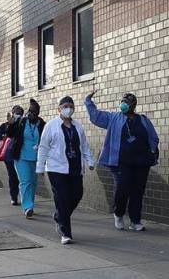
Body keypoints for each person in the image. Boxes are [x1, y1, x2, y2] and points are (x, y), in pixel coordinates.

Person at [85, 90, 159, 231]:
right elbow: (96, 117)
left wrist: (152, 149)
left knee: (138, 191)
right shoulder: (114, 118)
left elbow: (153, 136)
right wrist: (88, 100)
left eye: (127, 102)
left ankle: (135, 221)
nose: (124, 104)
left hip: (141, 162)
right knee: (122, 188)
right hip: (120, 162)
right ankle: (118, 213)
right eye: (123, 101)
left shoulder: (143, 119)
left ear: (133, 105)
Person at [37, 96, 95, 244]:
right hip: (57, 168)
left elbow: (84, 145)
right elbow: (43, 146)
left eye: (70, 106)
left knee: (77, 194)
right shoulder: (51, 125)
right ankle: (65, 232)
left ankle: (59, 216)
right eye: (65, 106)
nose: (68, 109)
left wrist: (89, 160)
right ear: (59, 109)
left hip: (75, 167)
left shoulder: (78, 126)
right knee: (62, 198)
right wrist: (40, 167)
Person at [7, 99, 45, 218]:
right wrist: (11, 124)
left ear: (38, 113)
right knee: (25, 181)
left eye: (34, 111)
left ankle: (30, 204)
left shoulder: (42, 124)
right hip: (21, 157)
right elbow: (10, 134)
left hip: (36, 159)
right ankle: (28, 207)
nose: (31, 114)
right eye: (29, 111)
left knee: (33, 183)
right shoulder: (21, 122)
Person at [0, 105, 24, 206]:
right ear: (12, 113)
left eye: (20, 113)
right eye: (16, 113)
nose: (18, 115)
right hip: (9, 155)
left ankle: (23, 196)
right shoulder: (6, 125)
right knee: (12, 176)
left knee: (22, 177)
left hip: (21, 154)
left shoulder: (23, 124)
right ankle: (14, 197)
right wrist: (3, 136)